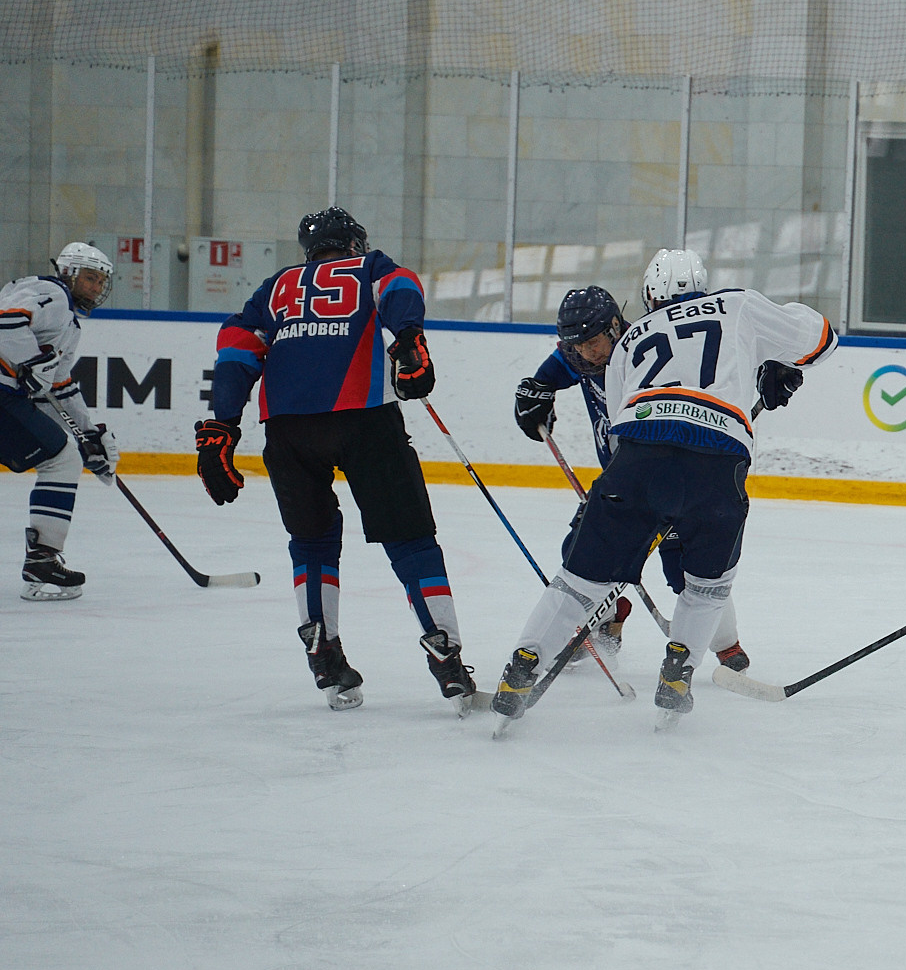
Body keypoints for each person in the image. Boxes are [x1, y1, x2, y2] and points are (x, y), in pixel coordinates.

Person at [492, 248, 833, 728]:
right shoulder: (737, 305)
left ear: (648, 296)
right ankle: (678, 672)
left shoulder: (631, 337)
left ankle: (522, 665)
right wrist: (776, 361)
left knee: (580, 579)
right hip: (716, 462)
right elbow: (822, 337)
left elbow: (619, 419)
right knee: (708, 585)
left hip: (637, 460)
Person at [194, 207, 477, 711]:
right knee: (410, 540)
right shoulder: (368, 266)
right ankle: (446, 658)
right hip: (363, 420)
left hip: (288, 429)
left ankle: (322, 651)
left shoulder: (276, 286)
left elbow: (236, 347)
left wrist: (222, 425)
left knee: (312, 540)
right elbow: (401, 288)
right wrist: (409, 337)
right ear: (353, 242)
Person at [512, 285, 753, 673]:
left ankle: (726, 645)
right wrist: (534, 393)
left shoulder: (643, 347)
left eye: (592, 343)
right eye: (576, 347)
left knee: (685, 568)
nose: (585, 354)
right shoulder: (579, 357)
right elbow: (549, 375)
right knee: (580, 552)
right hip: (625, 481)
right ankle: (607, 619)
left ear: (614, 327)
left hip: (670, 473)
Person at [0, 242, 119, 600]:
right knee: (61, 459)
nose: (96, 288)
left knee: (68, 454)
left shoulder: (68, 322)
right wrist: (30, 361)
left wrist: (88, 436)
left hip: (8, 396)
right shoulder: (51, 292)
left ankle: (42, 560)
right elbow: (5, 321)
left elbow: (59, 388)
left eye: (101, 282)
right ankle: (42, 561)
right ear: (68, 272)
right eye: (90, 278)